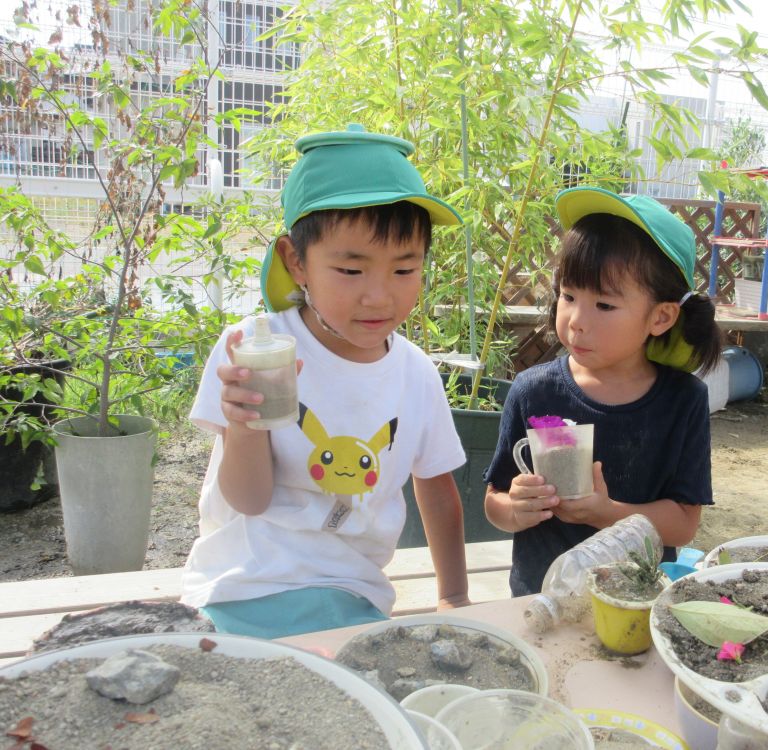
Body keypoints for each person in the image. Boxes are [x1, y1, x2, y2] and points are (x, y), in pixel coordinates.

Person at [180, 125, 471, 637]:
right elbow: (248, 501)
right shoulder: (256, 349)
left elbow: (437, 487)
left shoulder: (416, 375)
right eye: (351, 271)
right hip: (242, 584)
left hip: (349, 591)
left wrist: (454, 597)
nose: (380, 297)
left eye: (405, 271)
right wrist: (244, 425)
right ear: (297, 262)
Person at [483, 187, 723, 596]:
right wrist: (516, 509)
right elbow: (495, 501)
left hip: (633, 600)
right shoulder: (533, 391)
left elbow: (683, 522)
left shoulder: (683, 401)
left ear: (661, 317)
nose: (577, 320)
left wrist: (607, 513)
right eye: (569, 296)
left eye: (605, 306)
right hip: (539, 597)